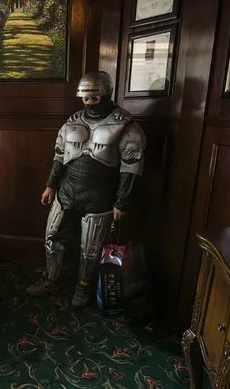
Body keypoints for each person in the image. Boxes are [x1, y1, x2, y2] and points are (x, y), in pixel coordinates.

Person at [25, 71, 147, 307]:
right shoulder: (72, 122)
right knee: (52, 239)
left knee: (90, 249)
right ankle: (51, 279)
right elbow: (60, 156)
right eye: (85, 97)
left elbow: (131, 168)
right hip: (67, 189)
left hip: (99, 194)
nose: (89, 102)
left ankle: (83, 287)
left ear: (105, 94)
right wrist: (50, 185)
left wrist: (122, 202)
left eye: (94, 97)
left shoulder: (125, 126)